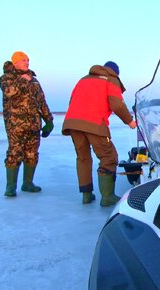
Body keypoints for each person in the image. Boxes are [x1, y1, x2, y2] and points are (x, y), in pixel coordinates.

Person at [62, 61, 137, 206]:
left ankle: (86, 195)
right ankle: (107, 197)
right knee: (108, 156)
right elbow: (117, 104)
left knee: (83, 157)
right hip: (95, 123)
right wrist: (130, 121)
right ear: (115, 72)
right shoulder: (111, 79)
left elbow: (72, 101)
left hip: (73, 123)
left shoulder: (83, 79)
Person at [0, 51, 54, 197]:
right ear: (15, 62)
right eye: (23, 60)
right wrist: (23, 81)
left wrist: (49, 120)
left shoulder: (34, 80)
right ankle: (10, 187)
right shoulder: (7, 78)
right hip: (16, 125)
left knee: (32, 154)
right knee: (14, 155)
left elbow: (41, 101)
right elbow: (9, 92)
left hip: (34, 124)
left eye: (28, 60)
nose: (27, 62)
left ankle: (27, 183)